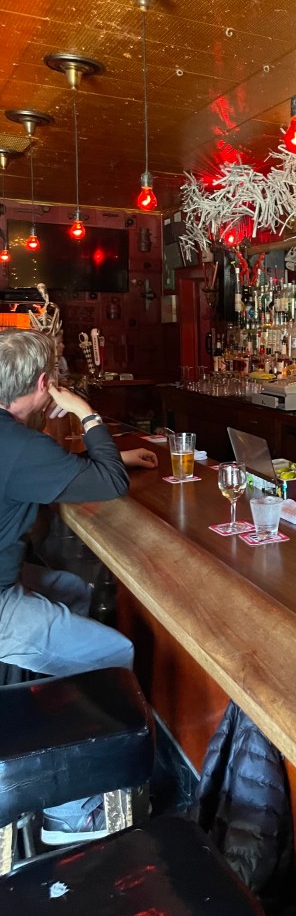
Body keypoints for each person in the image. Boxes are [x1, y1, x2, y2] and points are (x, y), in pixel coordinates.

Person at [0, 328, 157, 844]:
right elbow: (110, 484)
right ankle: (71, 814)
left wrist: (113, 458)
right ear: (44, 383)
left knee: (69, 588)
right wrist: (87, 412)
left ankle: (48, 701)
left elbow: (64, 473)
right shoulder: (19, 446)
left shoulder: (15, 442)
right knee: (114, 652)